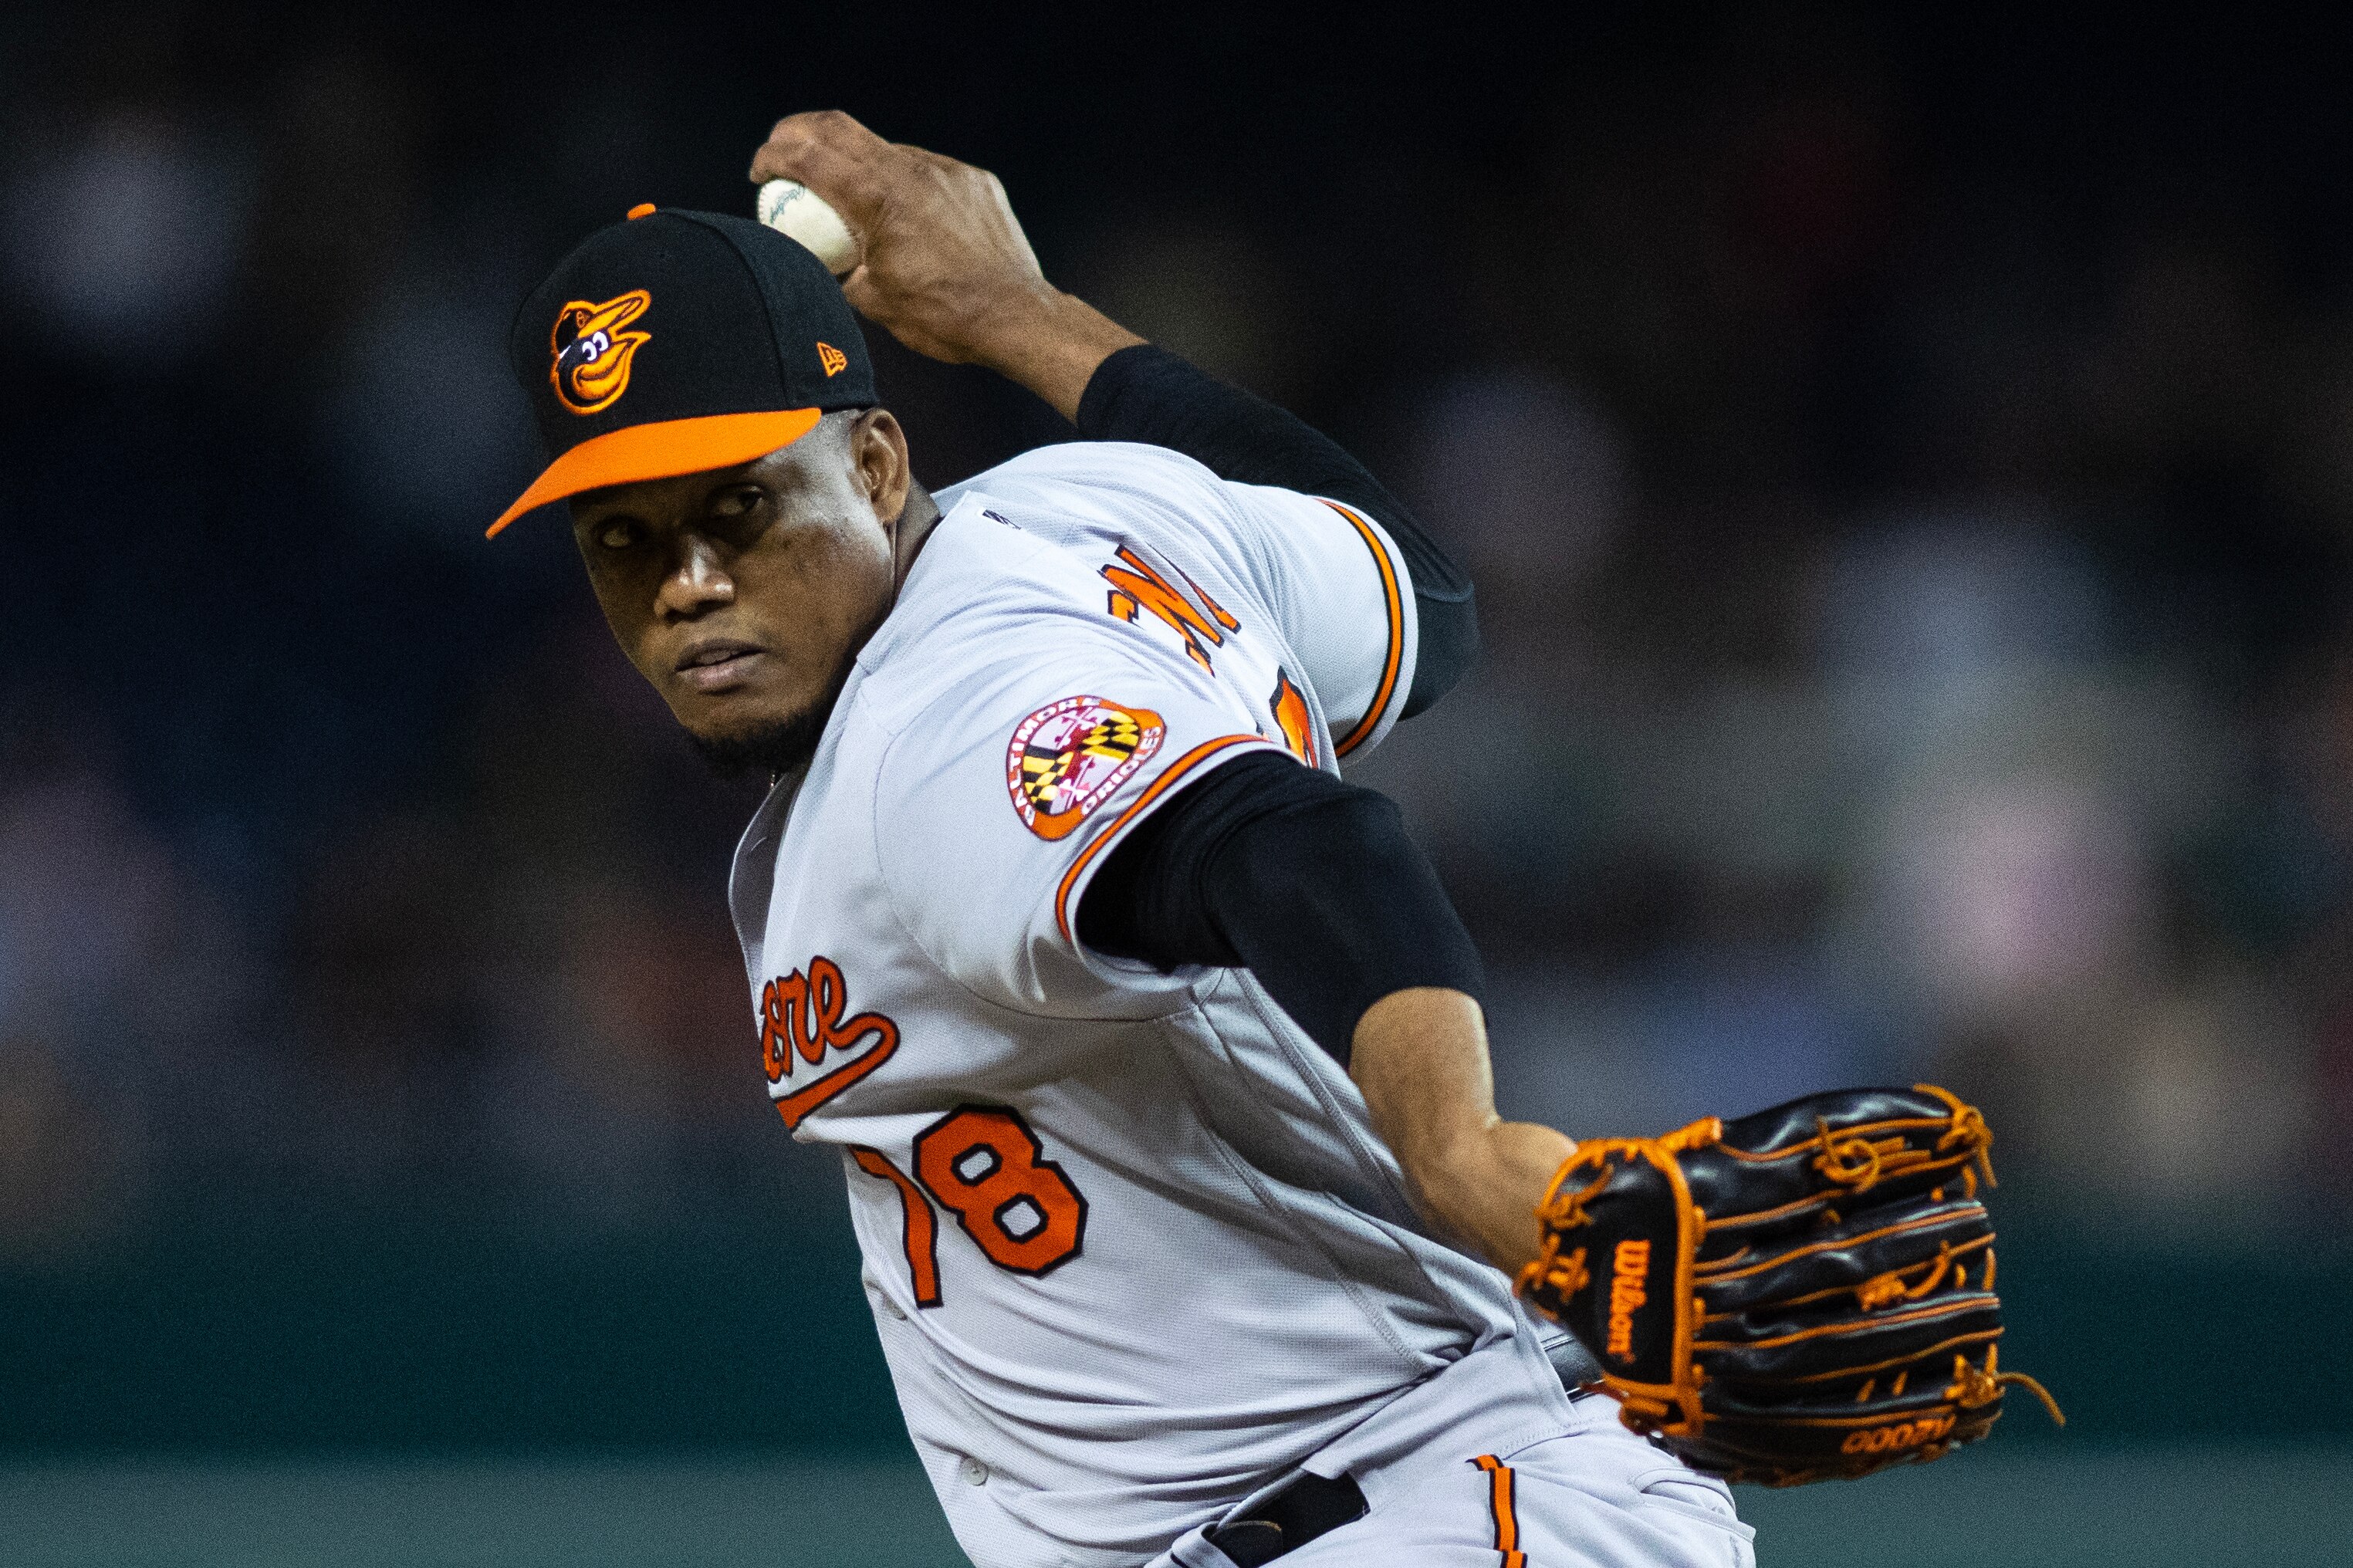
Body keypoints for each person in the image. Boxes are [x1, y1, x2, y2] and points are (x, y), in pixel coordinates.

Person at [486, 110, 1754, 1568]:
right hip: (1441, 1486)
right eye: (623, 536)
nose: (691, 583)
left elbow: (1288, 842)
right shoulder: (1106, 506)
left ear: (879, 467)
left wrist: (1456, 1144)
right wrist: (1024, 319)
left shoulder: (944, 732)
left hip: (1390, 1517)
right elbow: (1416, 592)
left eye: (742, 508)